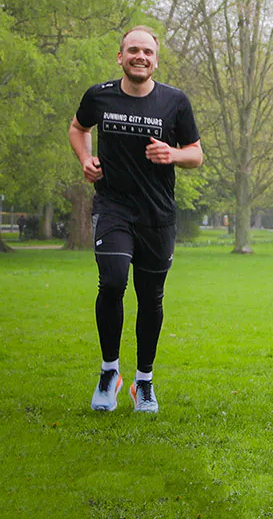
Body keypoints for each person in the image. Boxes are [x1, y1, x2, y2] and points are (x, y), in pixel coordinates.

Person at [69, 26, 203, 414]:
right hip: (112, 207)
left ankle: (143, 380)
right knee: (111, 281)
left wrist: (173, 154)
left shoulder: (174, 102)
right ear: (120, 57)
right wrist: (85, 160)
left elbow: (195, 153)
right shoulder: (100, 95)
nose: (139, 57)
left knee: (150, 297)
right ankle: (109, 372)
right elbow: (78, 128)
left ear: (155, 59)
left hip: (157, 214)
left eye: (147, 51)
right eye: (132, 51)